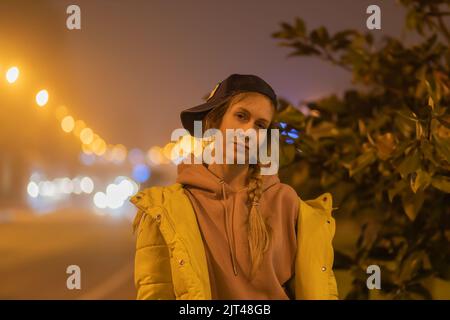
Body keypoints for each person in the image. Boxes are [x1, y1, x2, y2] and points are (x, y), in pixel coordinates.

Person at [130, 74, 338, 300]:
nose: (248, 132)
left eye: (260, 125)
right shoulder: (165, 211)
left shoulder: (286, 203)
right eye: (241, 116)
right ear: (213, 122)